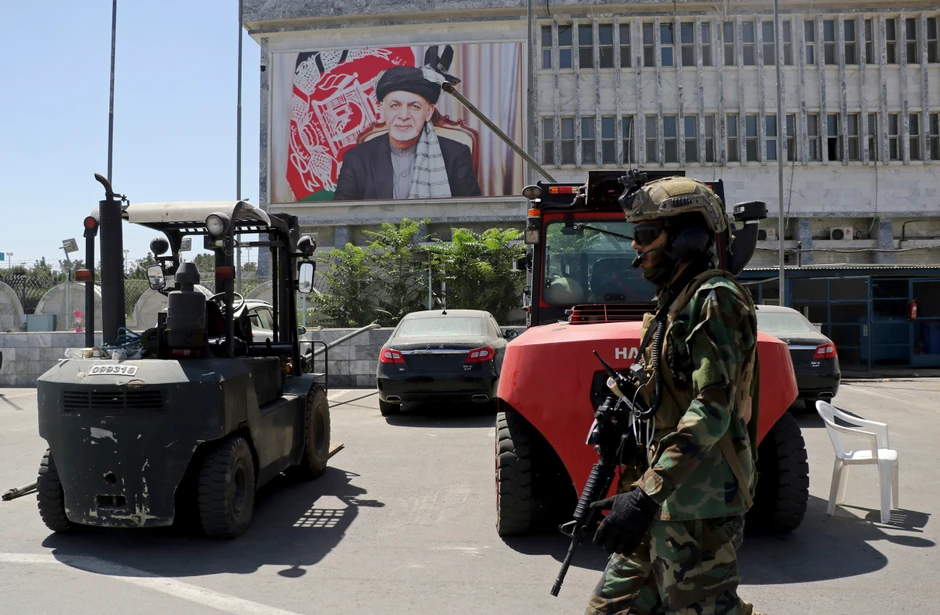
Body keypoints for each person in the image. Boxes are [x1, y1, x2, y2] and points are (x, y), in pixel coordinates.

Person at [585, 176, 764, 615]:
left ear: (687, 237)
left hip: (698, 504)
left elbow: (712, 408)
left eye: (645, 235)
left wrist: (646, 494)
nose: (635, 247)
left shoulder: (715, 298)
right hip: (662, 497)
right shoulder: (675, 302)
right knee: (611, 608)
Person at [332, 65, 481, 201]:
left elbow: (471, 215)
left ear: (428, 112)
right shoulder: (356, 158)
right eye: (395, 105)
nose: (404, 116)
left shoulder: (457, 155)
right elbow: (339, 218)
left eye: (414, 106)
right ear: (383, 111)